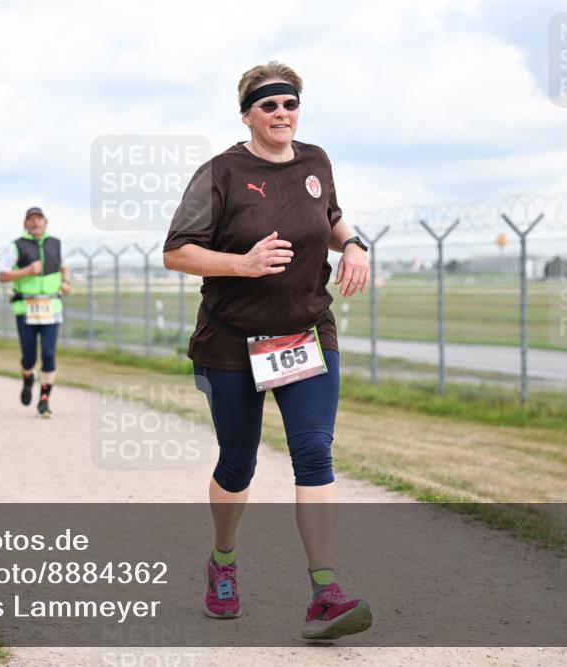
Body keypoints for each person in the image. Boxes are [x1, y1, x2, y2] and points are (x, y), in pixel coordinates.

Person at [162, 62, 372, 640]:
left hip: (306, 332)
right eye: (269, 106)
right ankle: (223, 562)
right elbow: (176, 251)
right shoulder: (221, 172)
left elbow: (329, 216)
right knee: (238, 463)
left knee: (315, 452)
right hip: (232, 340)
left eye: (290, 104)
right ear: (247, 115)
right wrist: (242, 264)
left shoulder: (316, 161)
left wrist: (354, 245)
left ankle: (325, 594)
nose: (282, 114)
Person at [0, 206, 71, 417]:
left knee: (48, 354)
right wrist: (27, 271)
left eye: (39, 218)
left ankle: (44, 400)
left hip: (51, 307)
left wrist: (66, 282)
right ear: (25, 224)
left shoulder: (56, 244)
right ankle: (28, 377)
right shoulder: (16, 246)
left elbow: (66, 266)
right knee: (29, 357)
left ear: (45, 222)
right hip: (26, 308)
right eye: (31, 219)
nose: (35, 222)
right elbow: (2, 276)